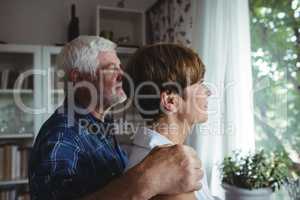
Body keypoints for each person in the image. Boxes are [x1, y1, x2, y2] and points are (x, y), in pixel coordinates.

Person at [28, 36, 204, 200]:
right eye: (112, 69)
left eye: (121, 67)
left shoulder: (101, 123)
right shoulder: (61, 136)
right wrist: (145, 180)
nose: (123, 75)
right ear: (78, 78)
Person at [124, 43, 214, 200]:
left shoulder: (173, 155)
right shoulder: (172, 174)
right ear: (170, 101)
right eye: (199, 84)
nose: (209, 91)